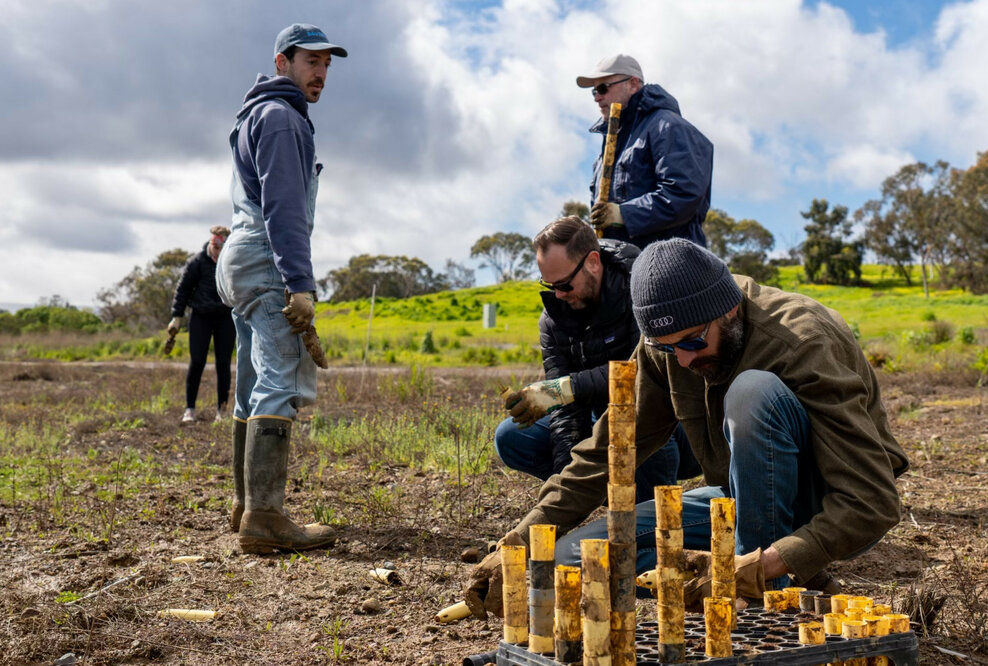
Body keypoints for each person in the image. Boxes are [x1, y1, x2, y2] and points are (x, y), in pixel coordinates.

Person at [465, 238, 909, 618]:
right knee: (572, 557)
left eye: (694, 342)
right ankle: (768, 575)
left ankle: (766, 597)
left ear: (729, 309)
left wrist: (762, 564)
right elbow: (610, 449)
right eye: (665, 346)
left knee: (751, 392)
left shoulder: (802, 341)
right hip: (735, 500)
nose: (683, 360)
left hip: (821, 500)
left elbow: (872, 499)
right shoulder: (669, 349)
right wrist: (520, 541)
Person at [215, 23, 346, 554]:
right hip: (267, 259)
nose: (319, 73)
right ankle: (265, 517)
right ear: (281, 63)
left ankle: (246, 506)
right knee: (281, 382)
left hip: (240, 258)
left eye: (326, 65)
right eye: (310, 62)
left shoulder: (254, 115)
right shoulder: (282, 119)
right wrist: (300, 284)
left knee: (252, 382)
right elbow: (284, 209)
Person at [497, 217, 700, 503]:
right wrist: (564, 492)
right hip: (599, 418)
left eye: (565, 284)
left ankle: (647, 517)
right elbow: (565, 413)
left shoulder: (643, 290)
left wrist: (563, 390)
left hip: (669, 419)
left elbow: (643, 375)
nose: (557, 294)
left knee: (628, 423)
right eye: (550, 284)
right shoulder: (554, 318)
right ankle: (600, 493)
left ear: (593, 262)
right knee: (511, 436)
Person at [578, 54, 713, 250]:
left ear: (633, 84)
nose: (598, 97)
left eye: (603, 88)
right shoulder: (608, 147)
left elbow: (683, 194)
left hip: (671, 264)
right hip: (621, 268)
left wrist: (623, 214)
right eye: (594, 92)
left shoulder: (668, 127)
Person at [167, 226, 235, 424]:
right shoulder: (197, 262)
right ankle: (190, 410)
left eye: (221, 246)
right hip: (200, 317)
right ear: (211, 243)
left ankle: (221, 411)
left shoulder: (231, 262)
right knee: (197, 362)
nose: (217, 249)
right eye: (215, 245)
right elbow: (183, 289)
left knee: (223, 364)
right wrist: (176, 316)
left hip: (225, 317)